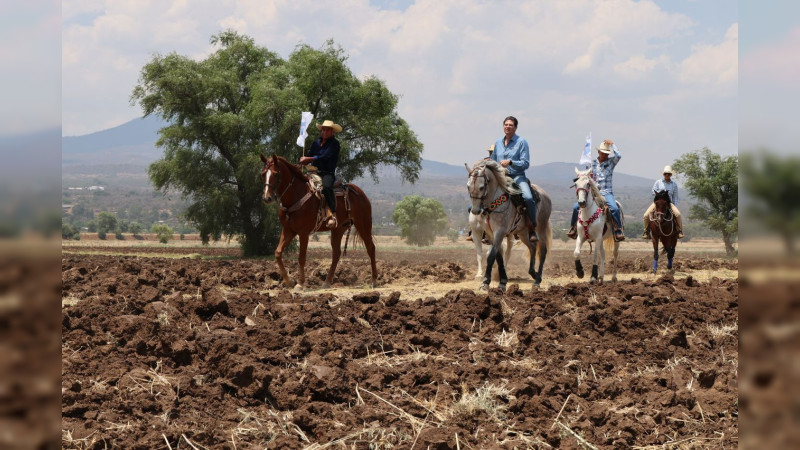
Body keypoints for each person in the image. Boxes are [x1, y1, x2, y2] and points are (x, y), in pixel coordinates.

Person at [490, 116, 538, 242]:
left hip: (517, 176)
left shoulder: (522, 142)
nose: (508, 126)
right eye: (506, 124)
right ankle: (486, 229)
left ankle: (532, 227)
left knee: (528, 197)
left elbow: (525, 163)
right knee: (484, 194)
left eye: (511, 125)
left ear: (515, 127)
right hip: (501, 177)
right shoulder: (498, 142)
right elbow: (493, 160)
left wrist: (511, 162)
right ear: (503, 126)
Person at [567, 139, 625, 241]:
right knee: (576, 207)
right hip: (593, 193)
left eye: (606, 153)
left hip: (606, 192)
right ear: (598, 152)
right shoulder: (591, 164)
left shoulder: (611, 163)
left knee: (615, 209)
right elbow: (584, 178)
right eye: (603, 153)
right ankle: (574, 228)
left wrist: (612, 145)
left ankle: (617, 230)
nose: (605, 155)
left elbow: (619, 156)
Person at [299, 119, 341, 228]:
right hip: (313, 171)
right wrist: (304, 160)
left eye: (327, 130)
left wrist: (310, 158)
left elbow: (326, 156)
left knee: (326, 187)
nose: (325, 132)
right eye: (323, 130)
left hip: (327, 173)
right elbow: (310, 155)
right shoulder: (316, 143)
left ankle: (332, 213)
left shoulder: (335, 144)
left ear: (333, 132)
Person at [642, 165, 684, 239]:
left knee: (678, 214)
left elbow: (675, 197)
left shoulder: (674, 185)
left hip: (669, 203)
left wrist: (674, 205)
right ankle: (646, 232)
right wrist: (660, 194)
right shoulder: (658, 182)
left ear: (671, 175)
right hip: (658, 203)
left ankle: (679, 231)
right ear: (663, 174)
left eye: (668, 174)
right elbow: (652, 191)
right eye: (665, 174)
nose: (667, 175)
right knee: (646, 215)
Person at [466, 145, 495, 242]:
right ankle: (473, 231)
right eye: (491, 152)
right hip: (483, 195)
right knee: (470, 208)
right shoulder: (483, 162)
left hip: (495, 194)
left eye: (493, 152)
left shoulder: (499, 162)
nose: (492, 153)